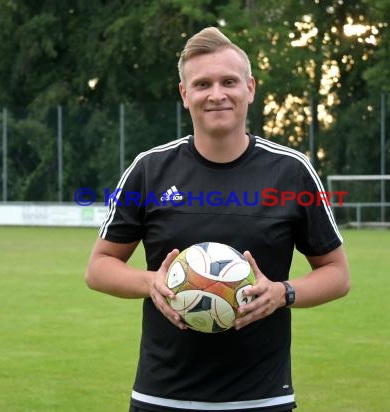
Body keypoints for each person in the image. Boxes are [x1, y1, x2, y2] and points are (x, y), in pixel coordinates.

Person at [85, 26, 350, 412]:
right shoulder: (150, 170)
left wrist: (282, 293)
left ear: (250, 89)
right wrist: (151, 282)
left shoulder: (291, 171)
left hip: (262, 398)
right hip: (162, 397)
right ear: (184, 94)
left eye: (229, 81)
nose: (216, 94)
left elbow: (337, 274)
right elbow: (99, 267)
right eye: (203, 84)